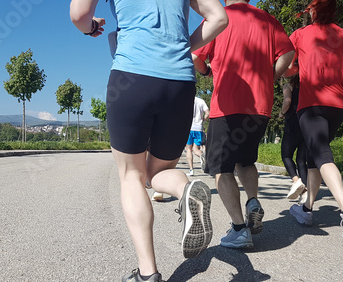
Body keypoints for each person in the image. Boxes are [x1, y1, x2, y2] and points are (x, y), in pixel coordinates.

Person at [70, 1, 228, 281]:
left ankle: (148, 273)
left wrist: (92, 27)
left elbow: (79, 15)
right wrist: (183, 47)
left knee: (132, 175)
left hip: (132, 75)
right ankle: (186, 190)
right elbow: (218, 17)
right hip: (180, 82)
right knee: (158, 172)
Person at [192, 0, 295, 249]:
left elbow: (195, 55)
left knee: (222, 169)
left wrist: (207, 72)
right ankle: (252, 201)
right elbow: (289, 53)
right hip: (259, 106)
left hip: (227, 106)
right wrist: (271, 76)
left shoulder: (218, 16)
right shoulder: (267, 20)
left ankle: (239, 229)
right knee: (245, 161)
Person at [284, 0, 343, 247]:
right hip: (337, 105)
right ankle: (307, 208)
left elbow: (287, 68)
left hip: (311, 104)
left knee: (321, 154)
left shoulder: (300, 34)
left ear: (312, 11)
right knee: (313, 158)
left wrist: (299, 68)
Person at [279, 74, 308, 201]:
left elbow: (287, 102)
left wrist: (281, 113)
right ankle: (306, 193)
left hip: (293, 122)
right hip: (307, 123)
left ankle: (296, 181)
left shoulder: (288, 85)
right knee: (302, 160)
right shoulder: (308, 86)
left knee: (286, 155)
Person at [186, 96, 209, 176]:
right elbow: (207, 113)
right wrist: (203, 120)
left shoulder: (187, 100)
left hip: (189, 127)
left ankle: (191, 170)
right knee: (196, 149)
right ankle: (203, 155)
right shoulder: (201, 101)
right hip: (199, 128)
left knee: (188, 149)